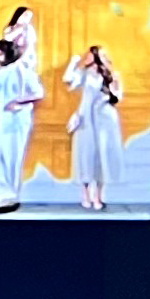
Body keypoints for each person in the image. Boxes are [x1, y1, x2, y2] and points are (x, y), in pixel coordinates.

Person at [0, 17, 44, 213]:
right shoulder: (0, 72)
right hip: (2, 119)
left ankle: (10, 197)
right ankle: (5, 195)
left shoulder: (21, 69)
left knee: (11, 158)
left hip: (17, 119)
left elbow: (38, 93)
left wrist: (18, 102)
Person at [63, 42, 124, 210]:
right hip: (86, 118)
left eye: (90, 54)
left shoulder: (112, 75)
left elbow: (118, 97)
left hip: (105, 119)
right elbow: (68, 80)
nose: (87, 56)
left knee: (101, 157)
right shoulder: (84, 74)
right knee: (85, 155)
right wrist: (73, 63)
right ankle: (85, 195)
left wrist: (114, 90)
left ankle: (98, 196)